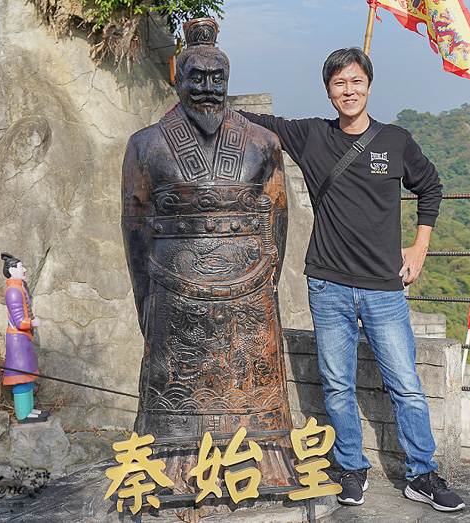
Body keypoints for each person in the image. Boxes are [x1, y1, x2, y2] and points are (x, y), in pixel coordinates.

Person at [238, 47, 465, 512]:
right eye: (339, 84)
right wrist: (197, 106)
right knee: (337, 383)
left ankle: (421, 474)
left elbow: (431, 188)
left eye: (356, 81)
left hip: (384, 287)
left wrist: (419, 247)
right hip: (327, 284)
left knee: (405, 383)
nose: (349, 91)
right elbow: (255, 120)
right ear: (329, 91)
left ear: (368, 85)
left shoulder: (396, 141)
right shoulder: (311, 137)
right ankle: (351, 467)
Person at [121, 17, 296, 504]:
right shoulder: (146, 144)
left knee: (251, 381)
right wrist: (145, 297)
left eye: (216, 78)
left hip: (250, 279)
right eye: (196, 77)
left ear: (228, 80)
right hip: (173, 284)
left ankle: (263, 464)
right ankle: (175, 466)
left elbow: (276, 220)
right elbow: (135, 227)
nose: (206, 88)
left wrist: (266, 279)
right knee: (176, 386)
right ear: (178, 78)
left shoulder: (262, 142)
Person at [1, 253, 49, 423]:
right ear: (12, 270)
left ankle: (29, 410)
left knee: (27, 376)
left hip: (23, 340)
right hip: (17, 341)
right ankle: (23, 413)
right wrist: (32, 322)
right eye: (21, 267)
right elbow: (19, 320)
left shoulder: (18, 288)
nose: (25, 270)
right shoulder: (13, 291)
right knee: (20, 377)